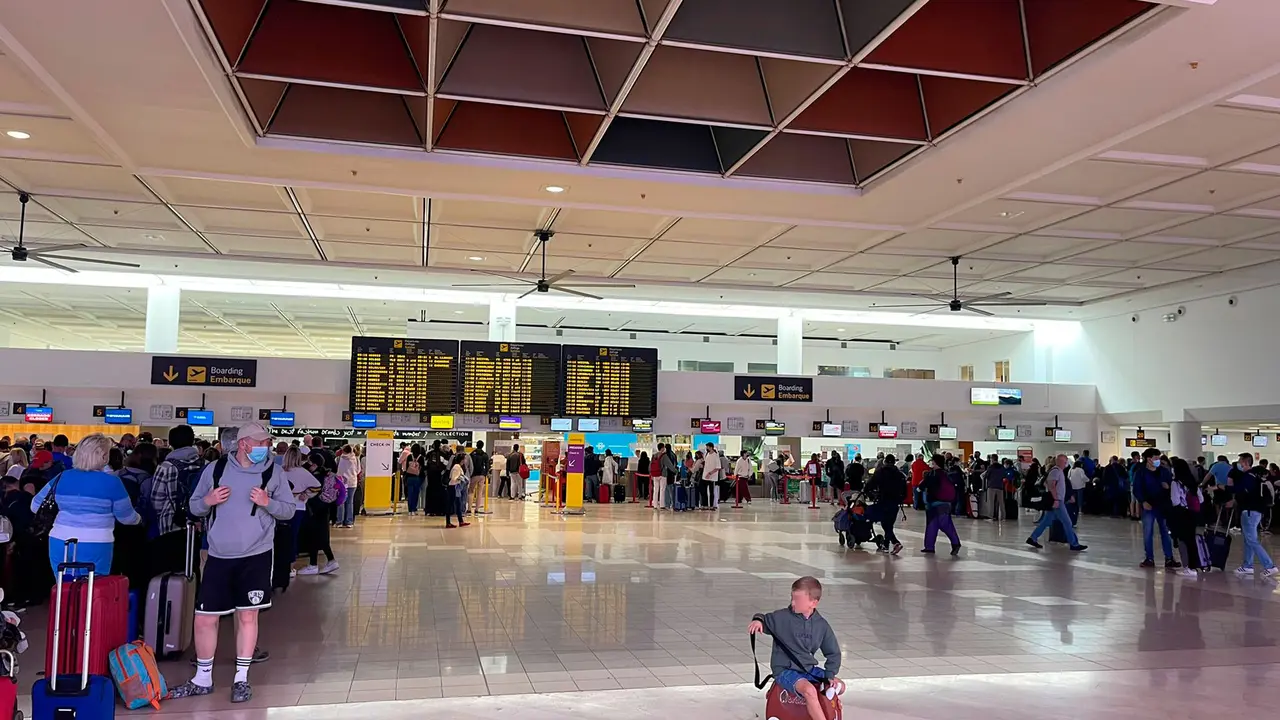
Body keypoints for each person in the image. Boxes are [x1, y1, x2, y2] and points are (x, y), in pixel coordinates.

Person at [169, 422, 296, 704]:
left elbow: (287, 512)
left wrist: (267, 502)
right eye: (261, 442)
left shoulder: (273, 472)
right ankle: (203, 678)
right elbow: (193, 506)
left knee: (247, 615)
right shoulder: (214, 470)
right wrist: (208, 500)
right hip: (218, 555)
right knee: (204, 618)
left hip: (257, 555)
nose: (266, 447)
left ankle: (241, 678)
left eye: (268, 442)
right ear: (244, 444)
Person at [29, 433, 140, 575]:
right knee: (92, 591)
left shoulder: (62, 477)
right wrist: (139, 519)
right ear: (104, 457)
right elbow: (126, 517)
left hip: (60, 540)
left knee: (65, 590)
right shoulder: (112, 482)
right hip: (96, 542)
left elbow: (35, 506)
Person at [748, 577, 842, 720]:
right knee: (809, 690)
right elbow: (763, 618)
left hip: (807, 669)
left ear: (813, 603)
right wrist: (757, 621)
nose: (793, 603)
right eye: (792, 598)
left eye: (798, 600)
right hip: (785, 670)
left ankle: (828, 689)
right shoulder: (782, 617)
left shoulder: (821, 625)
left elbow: (833, 653)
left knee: (840, 684)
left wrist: (830, 675)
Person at [1228, 452, 1277, 577]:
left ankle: (1269, 565)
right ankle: (1247, 565)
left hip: (1250, 511)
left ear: (1245, 463)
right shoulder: (1254, 476)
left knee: (1251, 540)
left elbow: (1238, 490)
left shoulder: (1248, 477)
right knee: (1248, 539)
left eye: (1240, 461)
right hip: (1253, 511)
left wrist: (1221, 487)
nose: (1238, 463)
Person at [1025, 455, 1087, 552]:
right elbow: (1051, 485)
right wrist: (1056, 499)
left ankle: (1033, 538)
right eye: (1065, 461)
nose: (1066, 463)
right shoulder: (1056, 471)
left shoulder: (1058, 471)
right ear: (1061, 461)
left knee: (1046, 521)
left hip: (1057, 500)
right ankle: (1074, 544)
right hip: (1057, 501)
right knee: (1067, 522)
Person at [1132, 448, 1179, 570]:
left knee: (1165, 531)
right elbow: (1137, 488)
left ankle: (1169, 558)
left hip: (1163, 505)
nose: (1158, 460)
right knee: (1148, 532)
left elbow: (1172, 486)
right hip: (1149, 505)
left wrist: (1167, 487)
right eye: (1156, 458)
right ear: (1149, 459)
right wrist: (1143, 501)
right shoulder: (1141, 472)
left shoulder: (1164, 472)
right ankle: (1149, 558)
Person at [278, 447, 320, 577]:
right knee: (292, 537)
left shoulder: (278, 471)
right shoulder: (303, 472)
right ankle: (290, 567)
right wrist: (306, 494)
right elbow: (317, 486)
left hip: (280, 508)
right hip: (298, 508)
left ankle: (278, 565)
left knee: (279, 538)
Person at [921, 455, 962, 556]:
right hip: (946, 503)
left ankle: (930, 546)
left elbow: (923, 485)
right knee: (944, 524)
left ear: (935, 462)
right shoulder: (946, 474)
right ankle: (954, 543)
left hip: (934, 503)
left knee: (933, 525)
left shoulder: (932, 474)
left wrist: (920, 488)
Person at [865, 454, 906, 554]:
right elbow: (904, 490)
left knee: (885, 523)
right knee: (888, 524)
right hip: (895, 502)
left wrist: (870, 494)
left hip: (883, 500)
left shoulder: (880, 472)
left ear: (885, 462)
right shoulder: (899, 474)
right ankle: (888, 544)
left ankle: (892, 544)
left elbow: (869, 485)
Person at [1168, 458, 1201, 577]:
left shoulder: (1175, 483)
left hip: (1181, 514)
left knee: (1182, 541)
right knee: (1191, 540)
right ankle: (1194, 566)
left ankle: (1187, 567)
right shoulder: (1193, 482)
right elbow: (1201, 499)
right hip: (1193, 514)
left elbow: (1175, 501)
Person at [335, 446, 359, 528]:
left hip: (342, 482)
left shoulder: (339, 459)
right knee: (350, 502)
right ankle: (349, 521)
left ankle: (339, 521)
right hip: (352, 482)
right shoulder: (356, 459)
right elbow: (358, 470)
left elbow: (337, 470)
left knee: (341, 502)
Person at [446, 454, 469, 529]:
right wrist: (461, 478)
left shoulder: (457, 466)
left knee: (458, 504)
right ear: (462, 460)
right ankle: (448, 522)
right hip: (454, 487)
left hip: (455, 487)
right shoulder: (456, 467)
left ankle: (460, 521)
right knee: (451, 505)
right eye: (464, 459)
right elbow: (453, 478)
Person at [402, 444, 426, 515]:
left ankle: (409, 510)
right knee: (416, 494)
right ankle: (413, 509)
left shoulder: (409, 456)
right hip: (417, 478)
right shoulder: (421, 457)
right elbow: (422, 469)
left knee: (410, 494)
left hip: (409, 477)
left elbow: (406, 468)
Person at [468, 440, 490, 515]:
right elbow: (487, 466)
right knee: (480, 492)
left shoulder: (472, 454)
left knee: (471, 491)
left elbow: (470, 465)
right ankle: (477, 509)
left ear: (476, 445)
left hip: (474, 475)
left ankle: (469, 509)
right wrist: (486, 473)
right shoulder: (485, 455)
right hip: (482, 475)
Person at [1067, 461, 1090, 527]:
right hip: (1080, 486)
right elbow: (1083, 477)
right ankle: (1080, 510)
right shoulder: (1080, 470)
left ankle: (1073, 509)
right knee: (1080, 498)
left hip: (1073, 486)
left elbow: (1068, 477)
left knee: (1073, 499)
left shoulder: (1071, 469)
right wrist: (1088, 480)